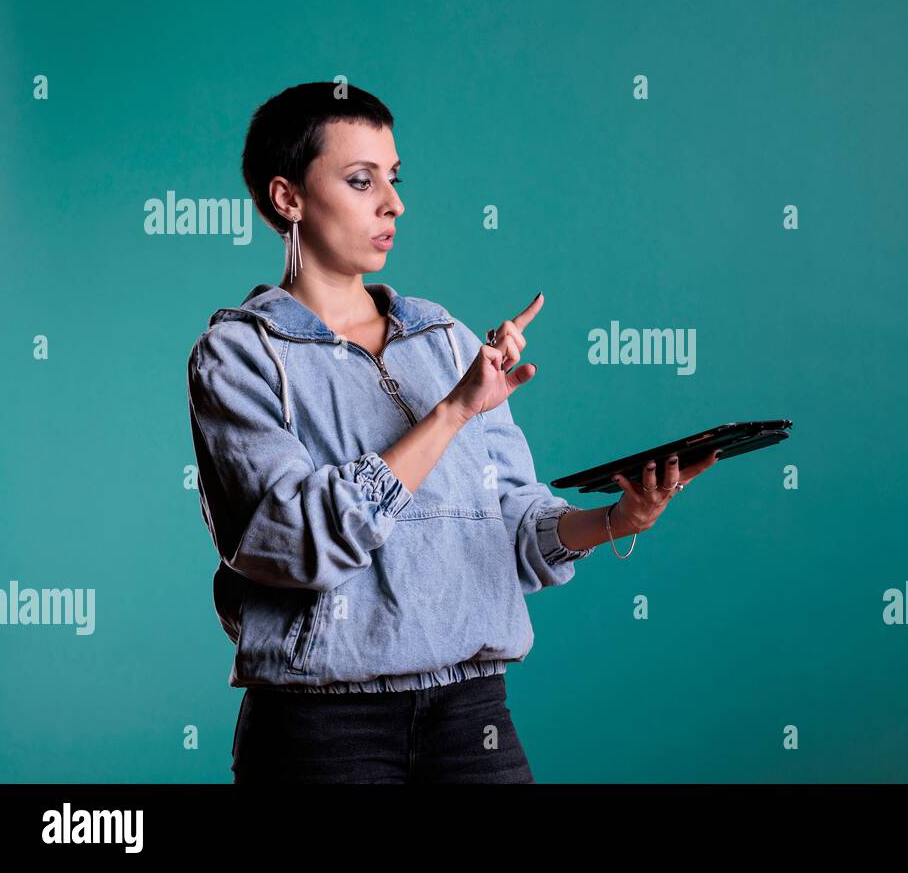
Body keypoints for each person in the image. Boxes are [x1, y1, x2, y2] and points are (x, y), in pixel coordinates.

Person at [185, 82, 719, 783]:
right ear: (287, 198)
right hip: (322, 729)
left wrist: (618, 517)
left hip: (473, 718)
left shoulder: (444, 339)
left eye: (394, 179)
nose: (393, 204)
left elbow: (512, 528)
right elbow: (298, 541)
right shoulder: (240, 355)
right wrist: (452, 412)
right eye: (360, 180)